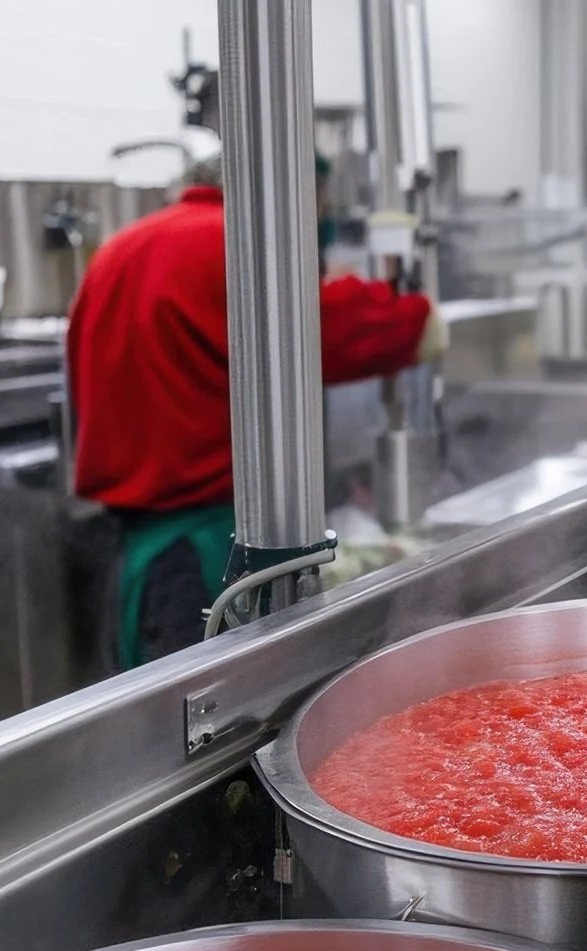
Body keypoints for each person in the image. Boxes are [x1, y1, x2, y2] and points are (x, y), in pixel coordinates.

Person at [67, 143, 440, 668]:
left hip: (139, 546)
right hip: (200, 552)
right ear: (285, 194)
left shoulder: (121, 247)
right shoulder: (233, 244)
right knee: (211, 729)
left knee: (154, 724)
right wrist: (419, 316)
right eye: (321, 208)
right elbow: (324, 329)